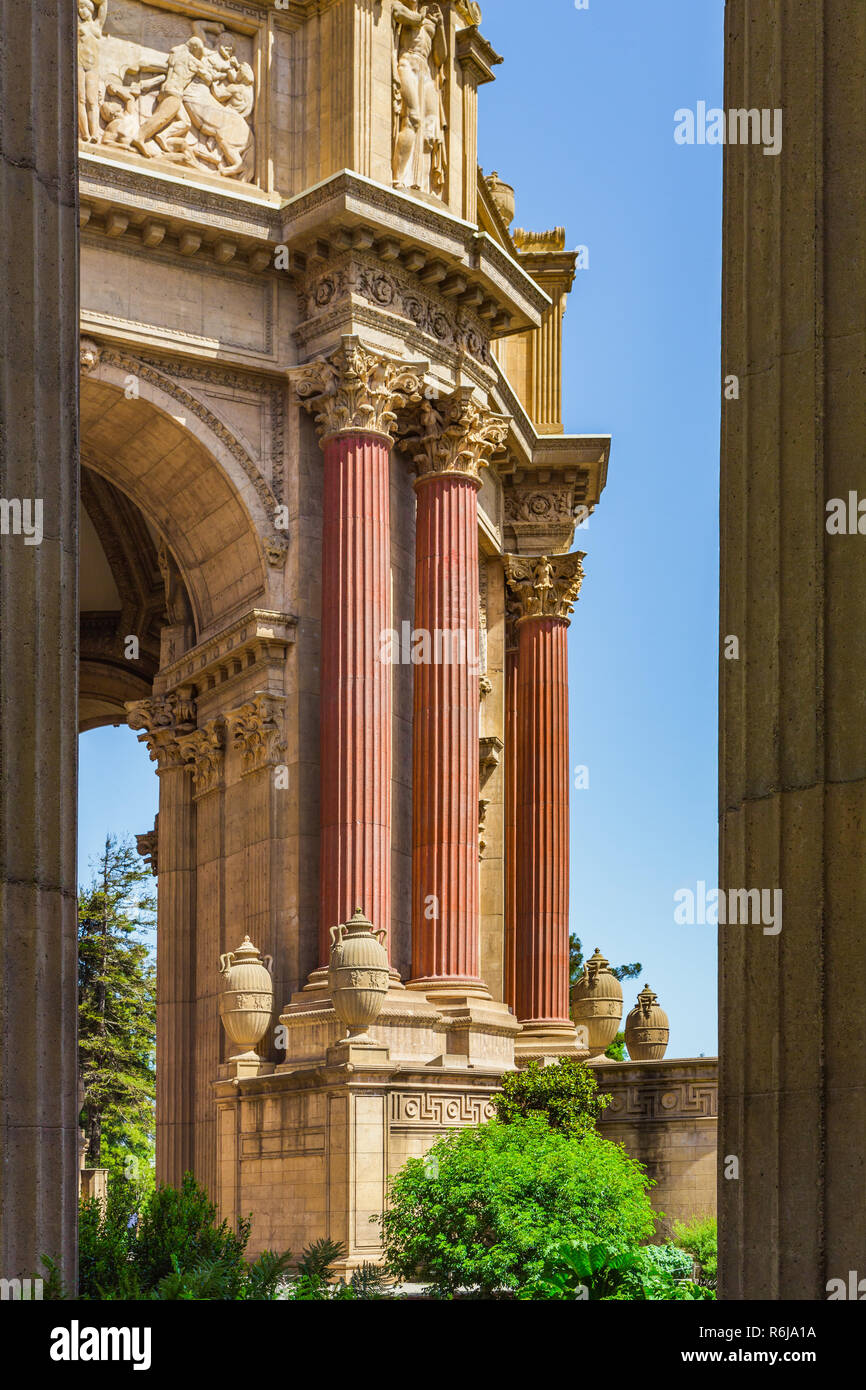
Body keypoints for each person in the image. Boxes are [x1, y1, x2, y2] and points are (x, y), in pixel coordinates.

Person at [392, 1, 447, 196]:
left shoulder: (429, 20)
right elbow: (397, 13)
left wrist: (439, 25)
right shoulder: (404, 8)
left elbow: (441, 57)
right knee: (413, 119)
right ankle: (398, 177)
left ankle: (420, 183)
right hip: (408, 63)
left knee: (431, 130)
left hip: (426, 72)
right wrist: (423, 17)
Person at [77, 0, 108, 143]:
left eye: (84, 7)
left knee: (92, 100)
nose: (81, 11)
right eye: (79, 8)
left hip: (92, 67)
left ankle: (95, 133)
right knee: (80, 99)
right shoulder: (78, 25)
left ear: (90, 9)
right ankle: (84, 133)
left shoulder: (97, 25)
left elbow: (103, 5)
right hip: (79, 64)